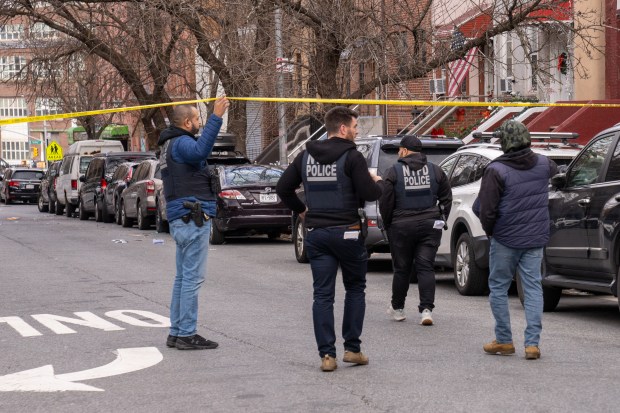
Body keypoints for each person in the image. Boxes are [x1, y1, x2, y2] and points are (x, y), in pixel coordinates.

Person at [276, 106, 383, 372]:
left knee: (322, 295)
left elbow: (282, 188)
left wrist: (302, 211)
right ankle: (352, 349)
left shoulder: (305, 156)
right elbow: (370, 193)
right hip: (347, 231)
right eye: (356, 128)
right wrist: (376, 180)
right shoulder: (352, 156)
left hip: (317, 234)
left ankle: (327, 355)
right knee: (355, 288)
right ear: (344, 129)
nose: (357, 133)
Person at [473, 120, 558, 360]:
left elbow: (486, 210)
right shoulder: (544, 163)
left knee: (498, 287)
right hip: (535, 238)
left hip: (506, 238)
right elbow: (558, 181)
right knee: (533, 288)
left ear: (506, 143)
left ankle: (504, 340)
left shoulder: (496, 170)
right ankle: (532, 345)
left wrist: (491, 232)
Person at [158, 96, 230, 350]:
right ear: (187, 122)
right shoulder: (181, 143)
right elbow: (201, 151)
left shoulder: (170, 145)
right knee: (192, 278)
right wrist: (216, 117)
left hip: (184, 216)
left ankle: (177, 332)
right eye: (197, 119)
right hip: (192, 217)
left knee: (183, 277)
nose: (200, 123)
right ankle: (186, 333)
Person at [378, 135, 452, 325]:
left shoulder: (393, 172)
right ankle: (426, 310)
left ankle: (398, 308)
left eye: (399, 150)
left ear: (403, 150)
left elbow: (385, 202)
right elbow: (447, 197)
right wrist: (441, 218)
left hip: (401, 226)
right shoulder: (435, 170)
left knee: (402, 269)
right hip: (429, 225)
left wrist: (388, 224)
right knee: (425, 267)